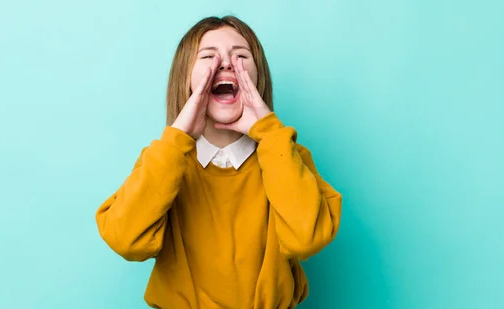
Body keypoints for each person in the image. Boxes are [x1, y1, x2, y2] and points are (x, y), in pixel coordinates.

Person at [95, 15, 342, 309]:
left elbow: (307, 238)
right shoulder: (163, 161)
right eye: (209, 57)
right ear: (185, 78)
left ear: (258, 78)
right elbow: (125, 240)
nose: (226, 64)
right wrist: (178, 136)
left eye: (241, 56)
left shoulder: (288, 158)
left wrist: (269, 132)